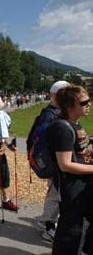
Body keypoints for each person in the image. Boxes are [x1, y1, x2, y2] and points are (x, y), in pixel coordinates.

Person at [48, 85, 93, 255]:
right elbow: (65, 164)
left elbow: (80, 150)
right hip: (72, 185)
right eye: (84, 102)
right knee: (70, 230)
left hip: (85, 181)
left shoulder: (76, 124)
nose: (88, 105)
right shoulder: (62, 128)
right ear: (69, 105)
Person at [36, 80, 70, 241]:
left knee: (55, 192)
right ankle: (48, 227)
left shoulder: (55, 112)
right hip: (54, 161)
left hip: (57, 160)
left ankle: (50, 224)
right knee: (54, 193)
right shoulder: (50, 114)